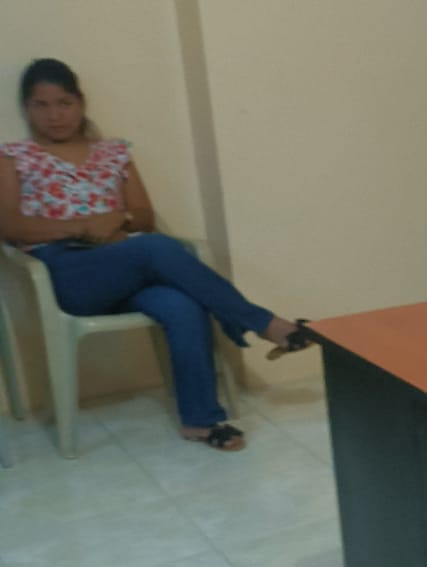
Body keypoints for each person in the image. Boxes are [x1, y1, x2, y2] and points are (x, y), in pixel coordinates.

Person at [0, 58, 312, 451]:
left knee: (182, 305)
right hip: (68, 274)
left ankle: (200, 421)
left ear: (80, 103)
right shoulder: (15, 156)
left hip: (125, 263)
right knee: (155, 248)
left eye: (64, 103)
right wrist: (82, 226)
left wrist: (118, 220)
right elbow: (8, 225)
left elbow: (143, 217)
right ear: (27, 109)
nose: (54, 115)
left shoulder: (113, 152)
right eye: (41, 105)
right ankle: (262, 322)